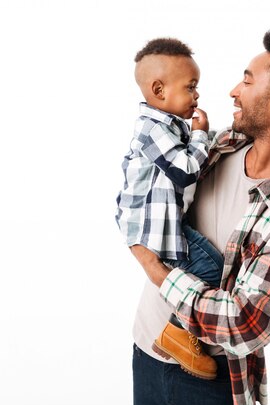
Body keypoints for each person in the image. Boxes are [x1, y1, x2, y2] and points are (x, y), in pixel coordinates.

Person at [129, 27, 270, 405]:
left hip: (211, 385)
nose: (233, 91)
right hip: (146, 352)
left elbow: (242, 324)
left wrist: (155, 269)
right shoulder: (220, 144)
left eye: (246, 79)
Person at [115, 38, 224, 380]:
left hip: (160, 226)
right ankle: (176, 333)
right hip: (152, 232)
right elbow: (185, 169)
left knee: (208, 268)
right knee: (215, 269)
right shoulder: (152, 129)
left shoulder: (168, 126)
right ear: (159, 90)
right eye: (191, 87)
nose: (197, 95)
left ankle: (176, 334)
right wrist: (202, 135)